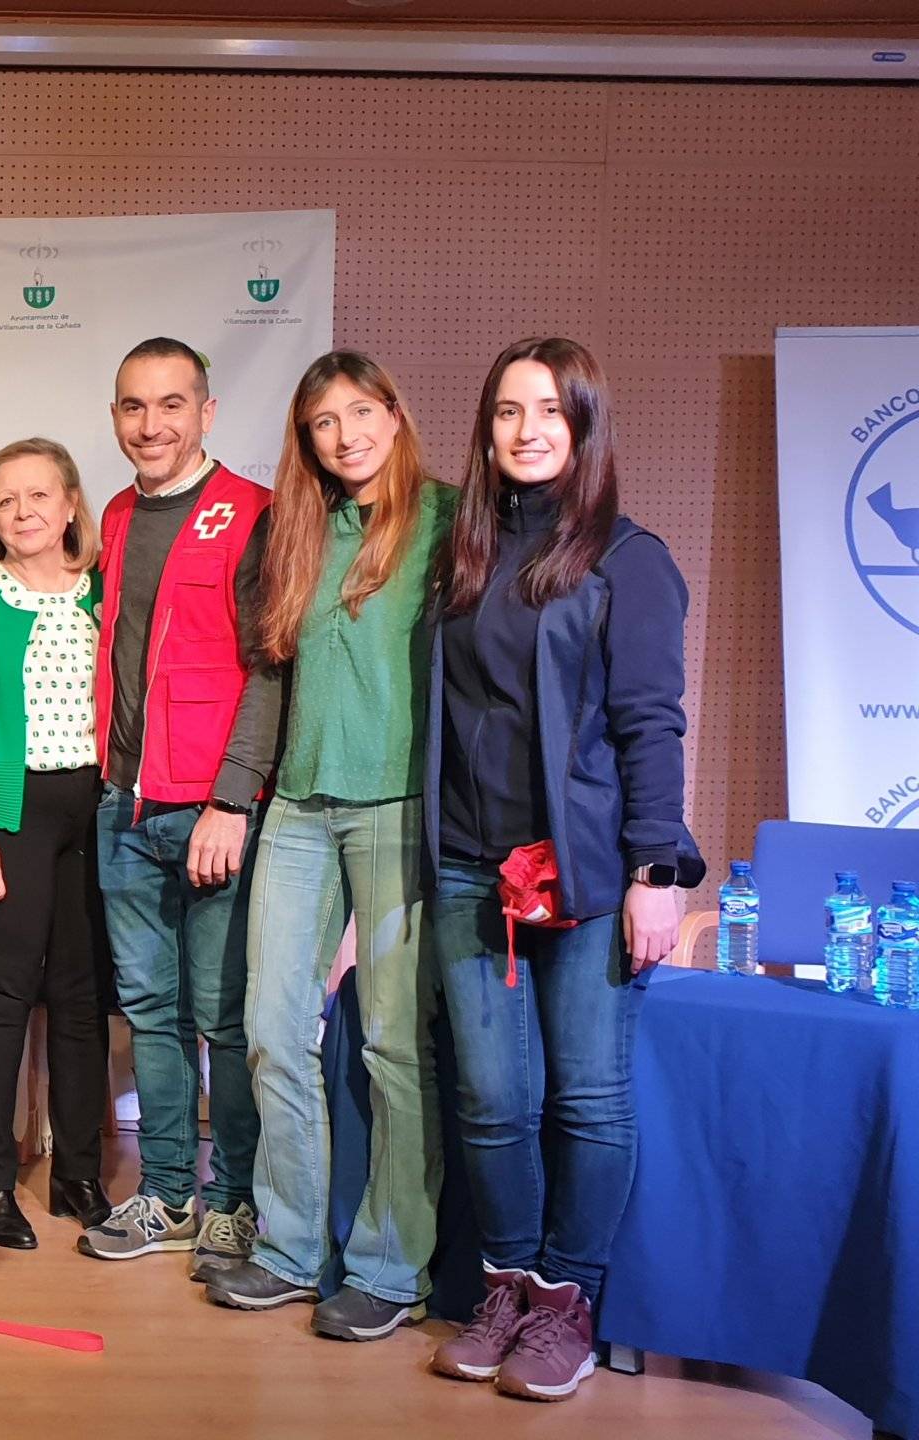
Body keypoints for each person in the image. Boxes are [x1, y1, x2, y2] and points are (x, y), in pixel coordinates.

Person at [424, 337, 698, 1402]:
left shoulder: (630, 559)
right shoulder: (463, 556)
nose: (527, 429)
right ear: (486, 430)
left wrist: (655, 870)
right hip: (465, 870)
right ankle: (504, 1288)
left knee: (586, 1098)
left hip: (581, 876)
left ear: (583, 427)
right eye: (506, 411)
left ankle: (568, 1301)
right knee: (491, 1098)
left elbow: (650, 724)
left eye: (549, 410)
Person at [203, 351, 456, 1341]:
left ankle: (390, 1267)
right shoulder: (291, 528)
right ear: (303, 438)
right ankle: (289, 1247)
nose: (345, 434)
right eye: (322, 422)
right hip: (299, 810)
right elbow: (268, 677)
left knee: (395, 1045)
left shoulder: (445, 520)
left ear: (394, 416)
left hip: (398, 808)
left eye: (360, 412)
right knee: (271, 1025)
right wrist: (235, 796)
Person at [80, 337, 281, 1281]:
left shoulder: (255, 516)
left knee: (224, 1018)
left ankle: (235, 1201)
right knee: (151, 1018)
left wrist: (231, 801)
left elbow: (272, 668)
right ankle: (166, 1193)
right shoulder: (116, 513)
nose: (150, 425)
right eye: (131, 406)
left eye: (170, 405)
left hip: (211, 812)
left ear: (206, 411)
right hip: (123, 804)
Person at [0, 438, 114, 1251]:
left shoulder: (106, 596)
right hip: (11, 815)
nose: (25, 511)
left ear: (72, 504)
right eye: (7, 501)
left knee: (81, 1002)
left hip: (100, 815)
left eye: (40, 495)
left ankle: (78, 1173)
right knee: (0, 1005)